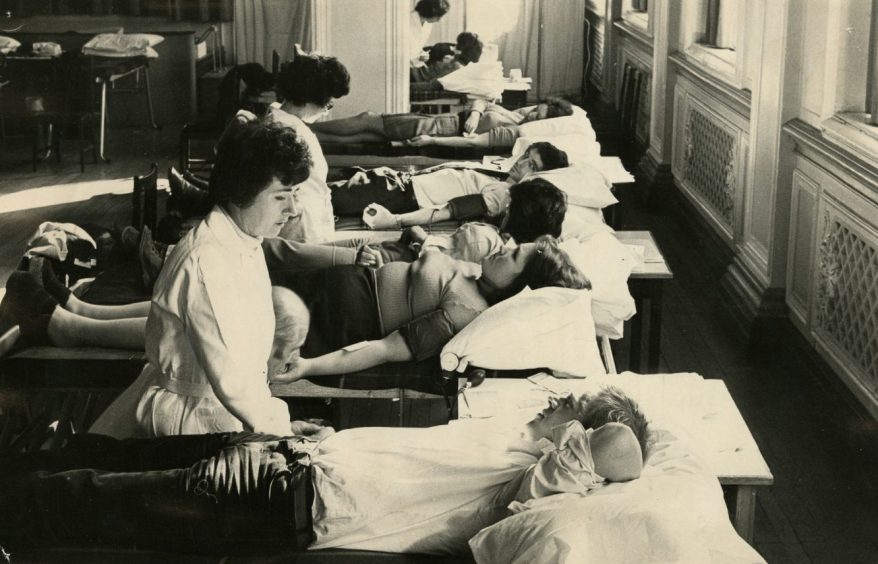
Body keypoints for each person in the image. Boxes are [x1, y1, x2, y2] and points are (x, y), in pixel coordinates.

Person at [0, 386, 649, 555]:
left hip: (285, 497)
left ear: (577, 433)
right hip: (291, 456)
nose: (556, 397)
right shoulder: (501, 434)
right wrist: (335, 436)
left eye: (572, 401)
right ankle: (24, 457)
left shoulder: (528, 482)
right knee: (107, 454)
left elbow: (620, 447)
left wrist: (595, 422)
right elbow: (408, 463)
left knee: (86, 498)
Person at [0, 120, 330, 438]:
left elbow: (244, 375)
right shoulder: (207, 260)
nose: (294, 210)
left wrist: (279, 422)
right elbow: (233, 384)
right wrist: (281, 431)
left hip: (219, 408)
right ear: (244, 191)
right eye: (281, 196)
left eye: (295, 194)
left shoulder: (244, 241)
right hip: (189, 421)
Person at [265, 234, 590, 381]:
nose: (504, 249)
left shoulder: (467, 311)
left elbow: (385, 349)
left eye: (514, 255)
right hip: (339, 281)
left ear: (520, 286)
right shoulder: (474, 274)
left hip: (337, 316)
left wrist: (310, 368)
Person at [330, 141, 570, 229]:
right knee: (328, 188)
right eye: (527, 154)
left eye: (533, 165)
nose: (522, 162)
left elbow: (450, 209)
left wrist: (394, 221)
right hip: (401, 181)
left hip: (404, 196)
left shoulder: (503, 194)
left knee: (326, 197)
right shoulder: (499, 175)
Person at [333, 177, 568, 266]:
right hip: (400, 252)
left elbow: (435, 251)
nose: (506, 208)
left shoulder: (487, 242)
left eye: (511, 207)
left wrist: (406, 228)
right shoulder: (505, 247)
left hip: (393, 258)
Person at [259, 53, 351, 242]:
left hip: (311, 228)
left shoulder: (280, 119)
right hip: (301, 234)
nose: (327, 110)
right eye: (329, 103)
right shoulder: (288, 133)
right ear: (311, 98)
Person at [310, 97, 574, 148]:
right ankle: (310, 135)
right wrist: (475, 112)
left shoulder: (518, 130)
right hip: (441, 120)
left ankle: (309, 130)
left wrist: (431, 140)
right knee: (367, 136)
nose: (532, 114)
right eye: (536, 109)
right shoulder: (517, 114)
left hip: (438, 128)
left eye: (538, 116)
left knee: (368, 120)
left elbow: (473, 142)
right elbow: (481, 101)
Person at [410, 0, 452, 69]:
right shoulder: (407, 20)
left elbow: (418, 46)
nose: (438, 20)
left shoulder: (428, 24)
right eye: (438, 17)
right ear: (430, 12)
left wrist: (423, 54)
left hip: (417, 65)